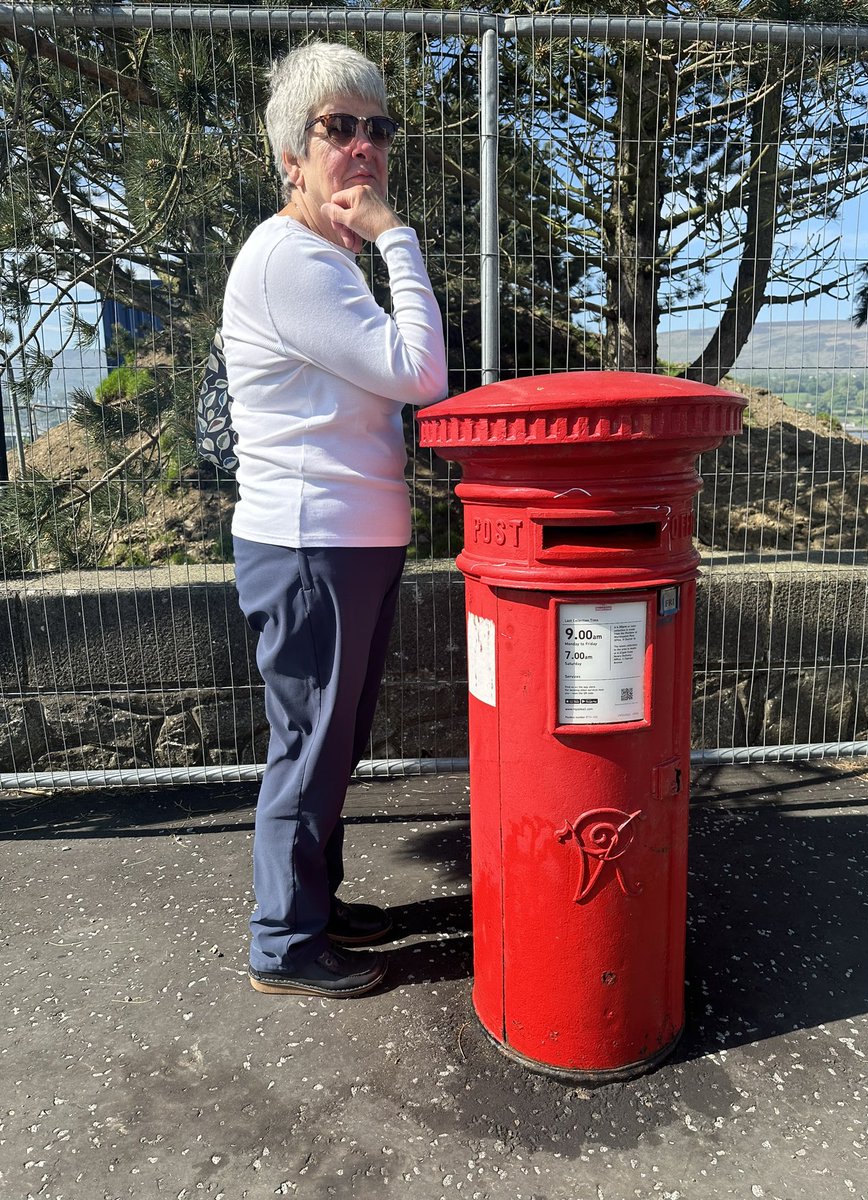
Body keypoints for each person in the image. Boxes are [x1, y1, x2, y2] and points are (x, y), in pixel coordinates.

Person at [222, 42, 447, 998]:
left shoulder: (320, 260)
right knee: (311, 743)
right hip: (312, 541)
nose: (363, 148)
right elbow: (419, 374)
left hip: (343, 538)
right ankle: (284, 940)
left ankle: (315, 903)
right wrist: (399, 239)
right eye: (337, 129)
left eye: (376, 130)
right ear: (292, 157)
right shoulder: (294, 261)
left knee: (331, 738)